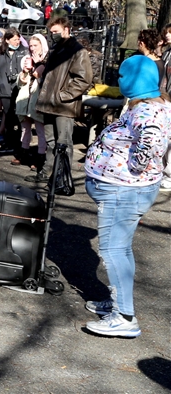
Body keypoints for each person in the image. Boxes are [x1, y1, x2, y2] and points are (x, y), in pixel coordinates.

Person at [81, 55, 170, 338]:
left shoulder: (147, 111)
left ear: (134, 80)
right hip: (126, 190)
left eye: (121, 75)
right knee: (122, 249)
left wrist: (133, 167)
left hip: (125, 191)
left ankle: (124, 317)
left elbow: (151, 143)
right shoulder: (150, 104)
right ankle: (119, 300)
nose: (118, 79)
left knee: (113, 251)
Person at [28, 16, 93, 184]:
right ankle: (48, 172)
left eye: (56, 31)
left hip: (64, 106)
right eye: (51, 32)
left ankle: (62, 178)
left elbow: (84, 79)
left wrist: (63, 96)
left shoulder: (78, 51)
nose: (53, 35)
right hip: (49, 103)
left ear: (66, 30)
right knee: (50, 142)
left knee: (63, 143)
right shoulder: (56, 49)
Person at [14, 34, 49, 170]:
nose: (33, 48)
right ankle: (23, 153)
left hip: (38, 99)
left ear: (42, 45)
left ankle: (40, 157)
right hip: (25, 98)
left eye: (35, 45)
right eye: (31, 46)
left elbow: (42, 79)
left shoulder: (47, 60)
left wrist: (38, 64)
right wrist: (24, 72)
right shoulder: (26, 59)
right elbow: (20, 83)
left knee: (40, 130)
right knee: (25, 128)